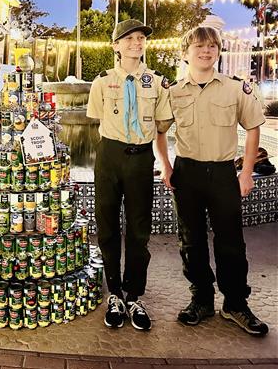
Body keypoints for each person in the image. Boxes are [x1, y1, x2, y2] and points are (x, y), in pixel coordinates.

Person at [157, 25, 268, 336]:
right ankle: (201, 300)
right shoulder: (173, 91)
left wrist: (246, 172)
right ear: (185, 53)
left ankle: (235, 304)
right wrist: (165, 166)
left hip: (222, 173)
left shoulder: (235, 89)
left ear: (218, 51)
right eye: (199, 46)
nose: (206, 51)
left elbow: (253, 127)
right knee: (190, 241)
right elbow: (159, 131)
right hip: (187, 173)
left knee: (231, 242)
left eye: (212, 47)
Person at [86, 19, 173, 331]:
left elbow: (163, 125)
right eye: (129, 39)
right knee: (107, 226)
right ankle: (115, 294)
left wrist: (163, 161)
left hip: (140, 158)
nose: (136, 43)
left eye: (140, 38)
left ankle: (134, 295)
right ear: (116, 46)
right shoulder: (102, 82)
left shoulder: (157, 82)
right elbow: (96, 120)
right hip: (109, 156)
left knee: (139, 229)